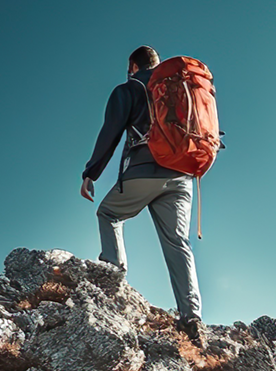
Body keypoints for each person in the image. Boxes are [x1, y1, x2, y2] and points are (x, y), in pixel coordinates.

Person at [81, 46, 203, 347]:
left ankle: (113, 278)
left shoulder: (130, 87)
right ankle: (192, 318)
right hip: (181, 176)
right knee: (178, 243)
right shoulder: (179, 88)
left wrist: (91, 172)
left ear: (132, 65)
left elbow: (110, 131)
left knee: (108, 214)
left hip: (144, 168)